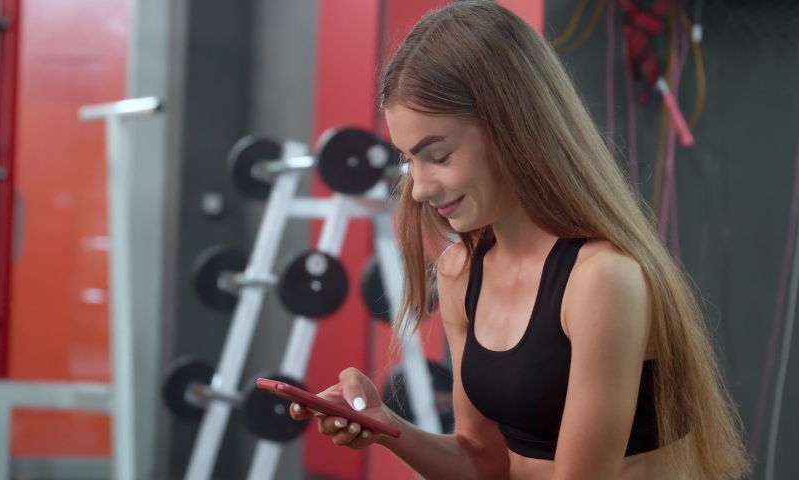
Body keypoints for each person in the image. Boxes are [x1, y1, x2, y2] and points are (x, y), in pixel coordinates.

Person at [290, 2, 750, 478]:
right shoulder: (460, 272)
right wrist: (384, 425)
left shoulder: (601, 281)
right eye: (410, 160)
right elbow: (484, 460)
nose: (420, 189)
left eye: (439, 156)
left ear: (512, 126)